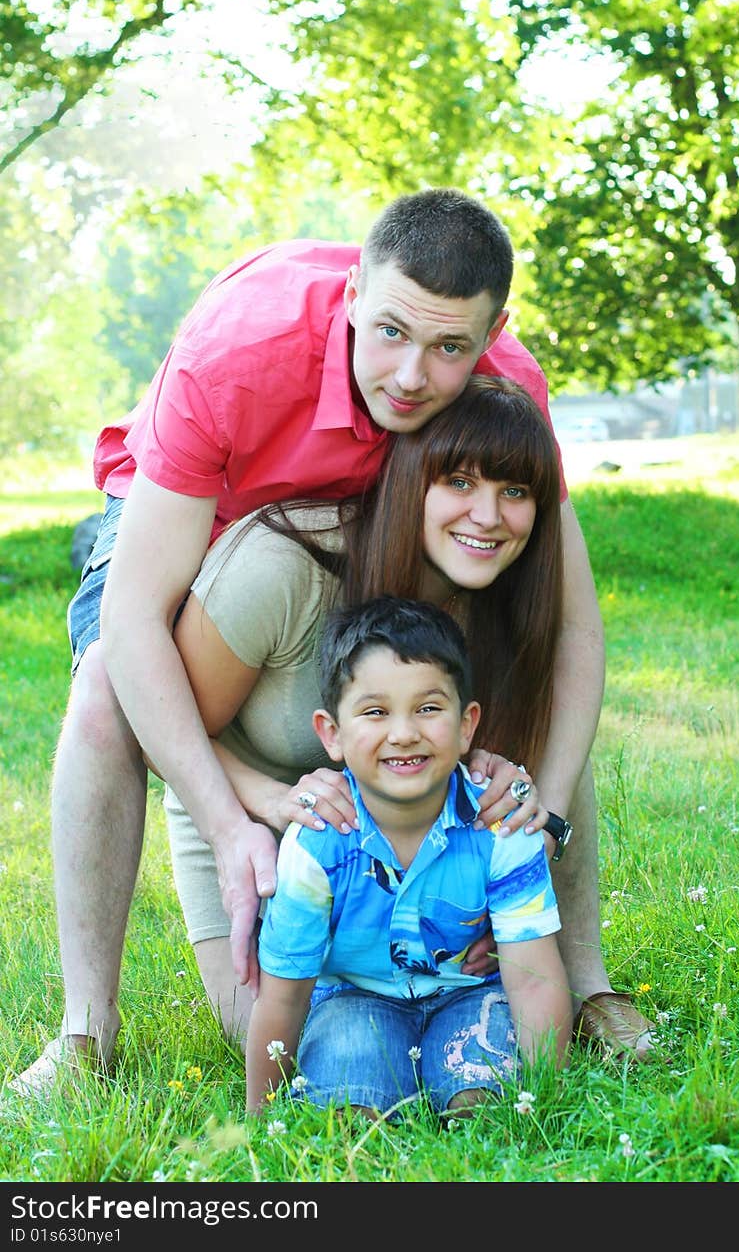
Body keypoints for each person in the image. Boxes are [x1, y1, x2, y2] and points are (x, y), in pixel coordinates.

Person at [8, 186, 650, 1100]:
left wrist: (536, 816)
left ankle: (589, 988)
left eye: (449, 348)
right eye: (390, 332)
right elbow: (134, 616)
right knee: (111, 683)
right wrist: (243, 817)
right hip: (204, 513)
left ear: (493, 333)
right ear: (353, 293)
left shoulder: (507, 386)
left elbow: (574, 623)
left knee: (529, 697)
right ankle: (84, 1032)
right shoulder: (237, 354)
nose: (413, 377)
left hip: (375, 526)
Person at [165, 377, 648, 1061]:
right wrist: (266, 804)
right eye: (459, 482)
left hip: (432, 825)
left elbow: (547, 698)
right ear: (409, 481)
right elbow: (164, 729)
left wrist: (528, 816)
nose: (487, 515)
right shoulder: (281, 566)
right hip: (264, 823)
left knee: (496, 1048)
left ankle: (588, 986)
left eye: (515, 493)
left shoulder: (503, 589)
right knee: (285, 1048)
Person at [245, 595, 571, 1118]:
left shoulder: (501, 826)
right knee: (349, 1110)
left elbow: (534, 979)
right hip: (355, 1000)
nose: (404, 733)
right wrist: (259, 1120)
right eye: (375, 712)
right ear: (331, 733)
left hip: (469, 993)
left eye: (428, 708)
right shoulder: (316, 846)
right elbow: (283, 998)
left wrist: (545, 1104)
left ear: (467, 725)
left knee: (484, 1102)